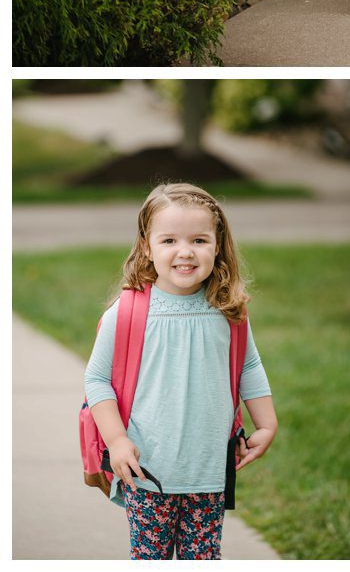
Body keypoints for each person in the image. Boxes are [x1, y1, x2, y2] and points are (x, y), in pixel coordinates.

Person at [84, 183, 278, 559]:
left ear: (217, 245)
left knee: (203, 558)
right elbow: (97, 379)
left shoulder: (228, 310)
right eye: (169, 240)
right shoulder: (125, 314)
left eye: (199, 240)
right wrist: (117, 440)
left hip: (208, 470)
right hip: (147, 470)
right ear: (147, 246)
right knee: (150, 558)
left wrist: (266, 423)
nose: (185, 251)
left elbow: (248, 365)